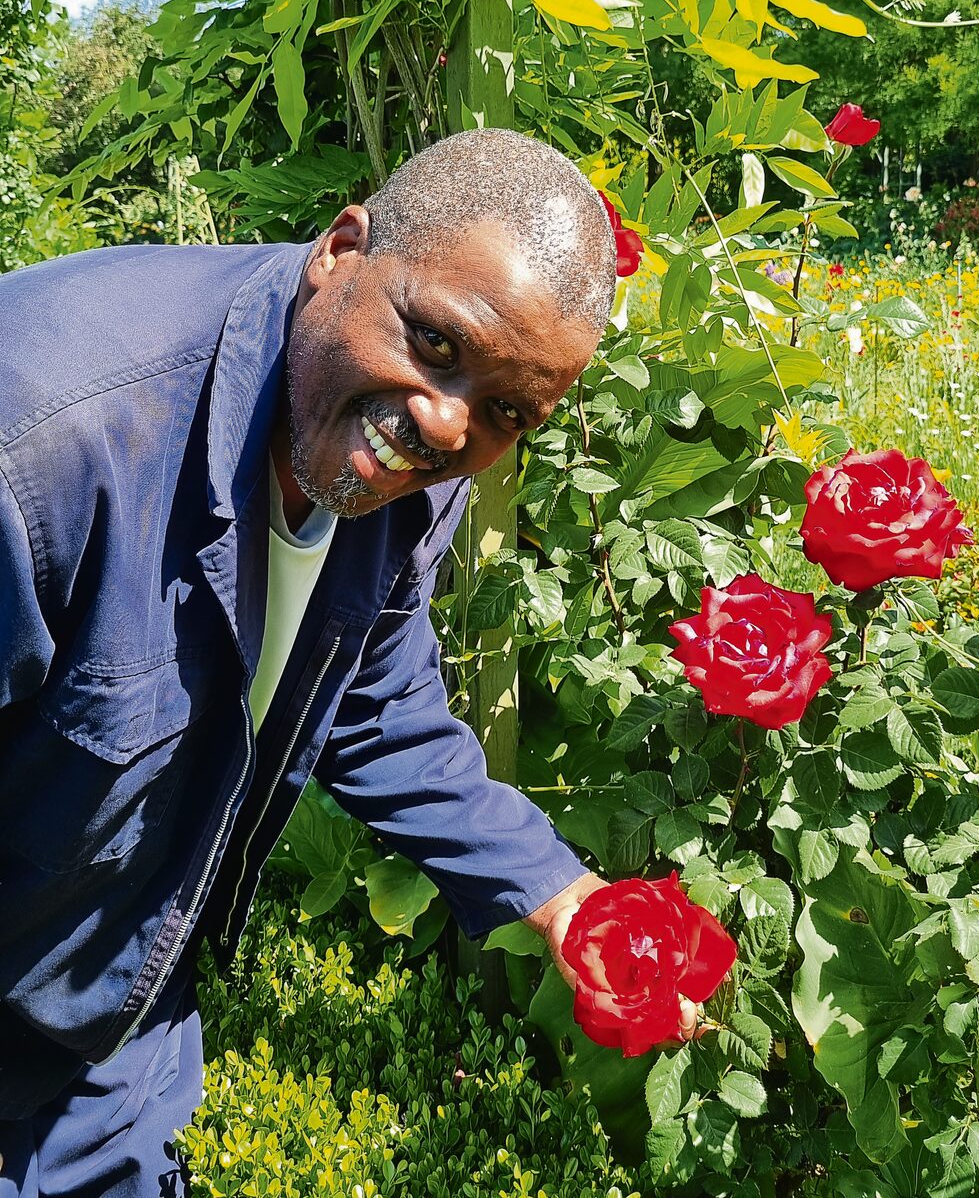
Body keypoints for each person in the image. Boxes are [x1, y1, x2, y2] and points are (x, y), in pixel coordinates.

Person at [0, 129, 630, 1197]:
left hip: (113, 1014)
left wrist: (564, 897)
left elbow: (377, 702)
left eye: (508, 411)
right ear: (341, 249)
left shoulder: (405, 458)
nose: (446, 423)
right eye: (434, 343)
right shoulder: (45, 446)